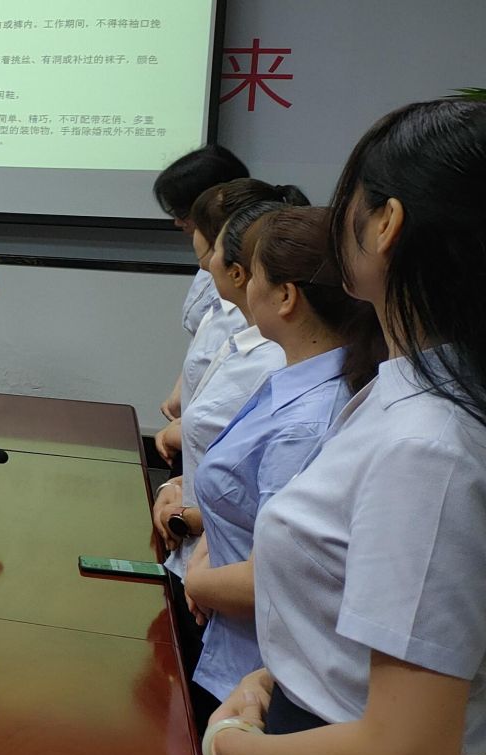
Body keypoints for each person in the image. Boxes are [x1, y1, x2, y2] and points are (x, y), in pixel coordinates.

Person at [207, 100, 486, 755]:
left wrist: (234, 751)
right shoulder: (404, 387)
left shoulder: (429, 441)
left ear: (387, 223)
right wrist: (273, 681)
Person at [183, 208, 383, 710]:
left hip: (262, 675)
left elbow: (275, 571)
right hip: (233, 641)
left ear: (287, 296)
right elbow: (243, 501)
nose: (245, 286)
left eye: (255, 275)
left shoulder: (308, 419)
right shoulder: (295, 378)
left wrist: (198, 580)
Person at [155, 177, 292, 464]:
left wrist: (182, 432)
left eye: (216, 248)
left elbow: (227, 436)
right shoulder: (234, 313)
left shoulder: (264, 349)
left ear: (237, 271)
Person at [153, 144, 250, 422]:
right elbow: (204, 340)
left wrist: (193, 422)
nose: (177, 222)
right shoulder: (211, 261)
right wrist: (182, 387)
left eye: (182, 211)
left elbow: (234, 362)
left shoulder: (246, 271)